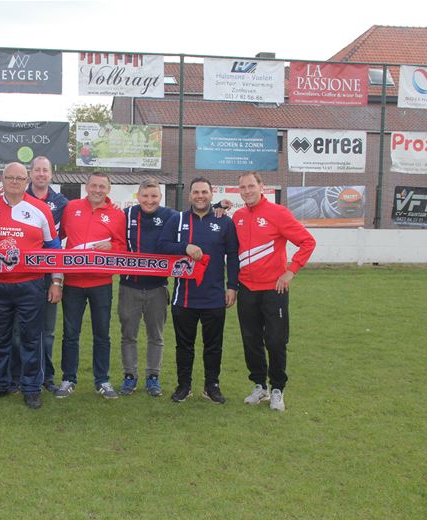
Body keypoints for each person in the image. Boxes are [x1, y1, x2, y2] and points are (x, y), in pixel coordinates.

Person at [0, 162, 62, 409]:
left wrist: (56, 280)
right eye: (10, 177)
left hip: (30, 285)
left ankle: (31, 388)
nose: (14, 182)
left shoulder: (41, 209)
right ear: (2, 180)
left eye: (19, 178)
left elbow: (54, 249)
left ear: (27, 181)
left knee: (31, 338)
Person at [233, 171, 316, 412]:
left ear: (261, 186)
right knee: (251, 340)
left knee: (276, 340)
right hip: (246, 288)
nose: (247, 191)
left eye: (251, 186)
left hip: (273, 289)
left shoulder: (278, 213)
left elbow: (307, 241)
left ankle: (278, 388)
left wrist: (291, 271)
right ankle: (260, 386)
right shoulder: (237, 216)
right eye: (242, 187)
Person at [157, 177, 239, 404]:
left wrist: (232, 286)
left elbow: (232, 256)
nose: (200, 196)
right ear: (190, 195)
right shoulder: (178, 219)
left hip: (214, 296)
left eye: (204, 192)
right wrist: (185, 247)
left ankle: (211, 386)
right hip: (184, 297)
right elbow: (162, 246)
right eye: (196, 192)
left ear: (211, 194)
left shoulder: (224, 222)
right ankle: (184, 386)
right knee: (184, 345)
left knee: (213, 345)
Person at [56, 172, 126, 400]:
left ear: (108, 189)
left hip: (101, 283)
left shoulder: (117, 214)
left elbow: (122, 247)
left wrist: (112, 247)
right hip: (73, 282)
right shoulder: (71, 208)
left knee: (102, 334)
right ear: (86, 186)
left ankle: (102, 380)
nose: (97, 190)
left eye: (102, 186)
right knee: (70, 333)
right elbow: (58, 237)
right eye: (94, 185)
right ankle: (68, 379)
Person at [9, 155, 68, 394]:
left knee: (47, 330)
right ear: (29, 174)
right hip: (20, 273)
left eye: (46, 170)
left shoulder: (62, 203)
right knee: (17, 330)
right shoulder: (17, 198)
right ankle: (16, 377)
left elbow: (61, 245)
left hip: (47, 274)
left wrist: (57, 279)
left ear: (51, 174)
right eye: (37, 170)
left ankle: (46, 376)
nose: (41, 174)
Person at [117, 178, 175, 397]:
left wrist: (218, 208)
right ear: (138, 196)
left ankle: (153, 377)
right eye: (145, 196)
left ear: (160, 197)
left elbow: (193, 221)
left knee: (156, 336)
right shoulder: (126, 214)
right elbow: (111, 234)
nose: (149, 201)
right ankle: (129, 376)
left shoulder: (170, 216)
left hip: (158, 287)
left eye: (154, 196)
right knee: (128, 335)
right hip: (129, 286)